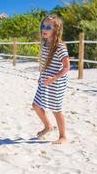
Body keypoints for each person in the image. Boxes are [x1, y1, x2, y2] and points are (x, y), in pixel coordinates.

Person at [32, 15, 70, 144]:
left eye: (48, 27)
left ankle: (63, 136)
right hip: (44, 80)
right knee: (36, 105)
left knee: (56, 109)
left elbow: (67, 67)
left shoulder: (60, 47)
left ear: (56, 29)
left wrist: (54, 78)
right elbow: (43, 63)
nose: (44, 29)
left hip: (56, 83)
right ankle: (48, 126)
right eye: (43, 26)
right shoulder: (44, 44)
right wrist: (41, 76)